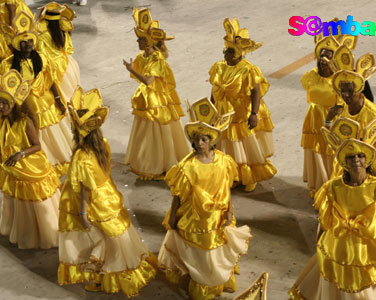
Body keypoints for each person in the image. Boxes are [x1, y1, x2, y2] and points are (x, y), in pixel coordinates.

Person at [57, 86, 157, 297]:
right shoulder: (103, 145)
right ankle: (118, 271)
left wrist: (83, 214)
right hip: (108, 196)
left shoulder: (82, 156)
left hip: (95, 204)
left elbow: (86, 189)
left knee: (100, 240)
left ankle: (108, 275)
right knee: (114, 238)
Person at [288, 138, 376, 300]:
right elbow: (325, 220)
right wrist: (320, 243)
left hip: (374, 241)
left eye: (360, 156)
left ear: (367, 160)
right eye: (351, 157)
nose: (356, 160)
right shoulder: (332, 188)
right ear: (344, 162)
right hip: (340, 244)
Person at [158, 97, 252, 300]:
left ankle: (218, 279)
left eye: (204, 139)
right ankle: (203, 282)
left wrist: (229, 211)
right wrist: (173, 217)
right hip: (195, 218)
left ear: (212, 141)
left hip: (217, 216)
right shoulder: (187, 167)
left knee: (216, 250)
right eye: (196, 139)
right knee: (200, 254)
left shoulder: (223, 162)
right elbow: (178, 196)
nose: (199, 143)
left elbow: (226, 189)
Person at [0, 11, 73, 176]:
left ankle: (54, 161)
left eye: (31, 40)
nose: (28, 44)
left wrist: (58, 99)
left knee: (51, 133)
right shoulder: (8, 64)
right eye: (24, 42)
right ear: (19, 45)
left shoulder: (41, 58)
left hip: (45, 100)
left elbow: (51, 80)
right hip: (24, 104)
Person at [209, 17, 276, 192]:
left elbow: (255, 92)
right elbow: (214, 89)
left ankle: (251, 176)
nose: (225, 54)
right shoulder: (219, 67)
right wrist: (210, 110)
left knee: (246, 147)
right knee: (229, 146)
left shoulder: (248, 69)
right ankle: (235, 175)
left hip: (241, 112)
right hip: (224, 113)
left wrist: (253, 114)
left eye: (230, 51)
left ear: (239, 53)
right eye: (225, 50)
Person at [123, 8, 189, 180]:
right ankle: (147, 161)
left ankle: (161, 164)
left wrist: (131, 70)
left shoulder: (156, 59)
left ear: (149, 42)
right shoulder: (142, 56)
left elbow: (148, 81)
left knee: (157, 131)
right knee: (147, 133)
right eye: (138, 39)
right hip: (147, 97)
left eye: (141, 40)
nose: (138, 42)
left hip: (157, 99)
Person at [0, 69, 60, 249]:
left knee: (34, 201)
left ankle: (42, 232)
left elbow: (37, 146)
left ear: (14, 103)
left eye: (4, 103)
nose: (1, 106)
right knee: (19, 203)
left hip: (30, 165)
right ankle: (25, 232)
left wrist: (20, 154)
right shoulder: (2, 121)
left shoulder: (25, 121)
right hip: (12, 167)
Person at [324, 45, 376, 183]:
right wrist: (328, 120)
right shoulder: (342, 109)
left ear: (360, 90)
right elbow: (336, 139)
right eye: (342, 90)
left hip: (373, 165)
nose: (345, 95)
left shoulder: (373, 114)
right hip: (350, 166)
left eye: (350, 91)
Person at [301, 35, 357, 197]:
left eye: (328, 56)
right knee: (317, 152)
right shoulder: (310, 76)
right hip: (314, 118)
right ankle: (319, 186)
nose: (323, 59)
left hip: (335, 120)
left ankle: (335, 187)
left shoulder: (341, 79)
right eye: (321, 55)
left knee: (333, 153)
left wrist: (331, 120)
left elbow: (344, 104)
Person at [37, 2, 80, 104]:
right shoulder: (63, 30)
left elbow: (40, 52)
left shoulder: (42, 33)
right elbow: (68, 49)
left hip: (53, 70)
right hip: (69, 66)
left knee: (59, 98)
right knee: (72, 95)